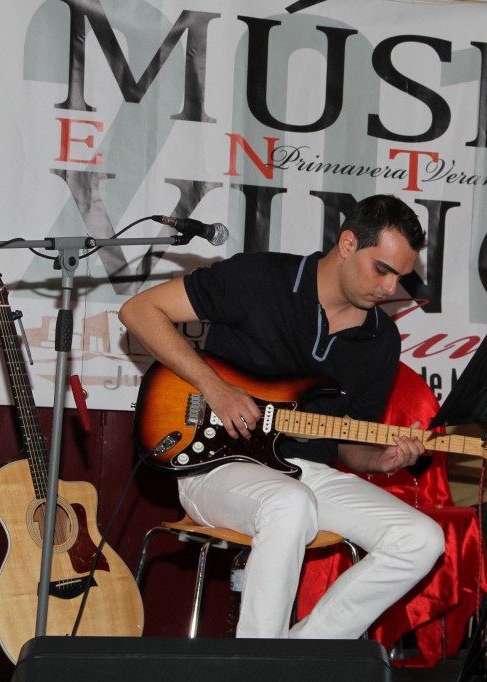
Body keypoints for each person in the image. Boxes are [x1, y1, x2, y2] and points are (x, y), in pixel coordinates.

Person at [120, 194, 445, 640]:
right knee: (291, 505)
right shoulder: (262, 277)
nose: (390, 289)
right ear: (348, 243)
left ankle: (293, 656)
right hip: (214, 464)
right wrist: (215, 387)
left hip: (307, 473)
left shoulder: (380, 339)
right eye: (382, 270)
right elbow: (139, 311)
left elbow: (350, 446)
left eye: (401, 277)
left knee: (422, 539)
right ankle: (258, 666)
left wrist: (382, 460)